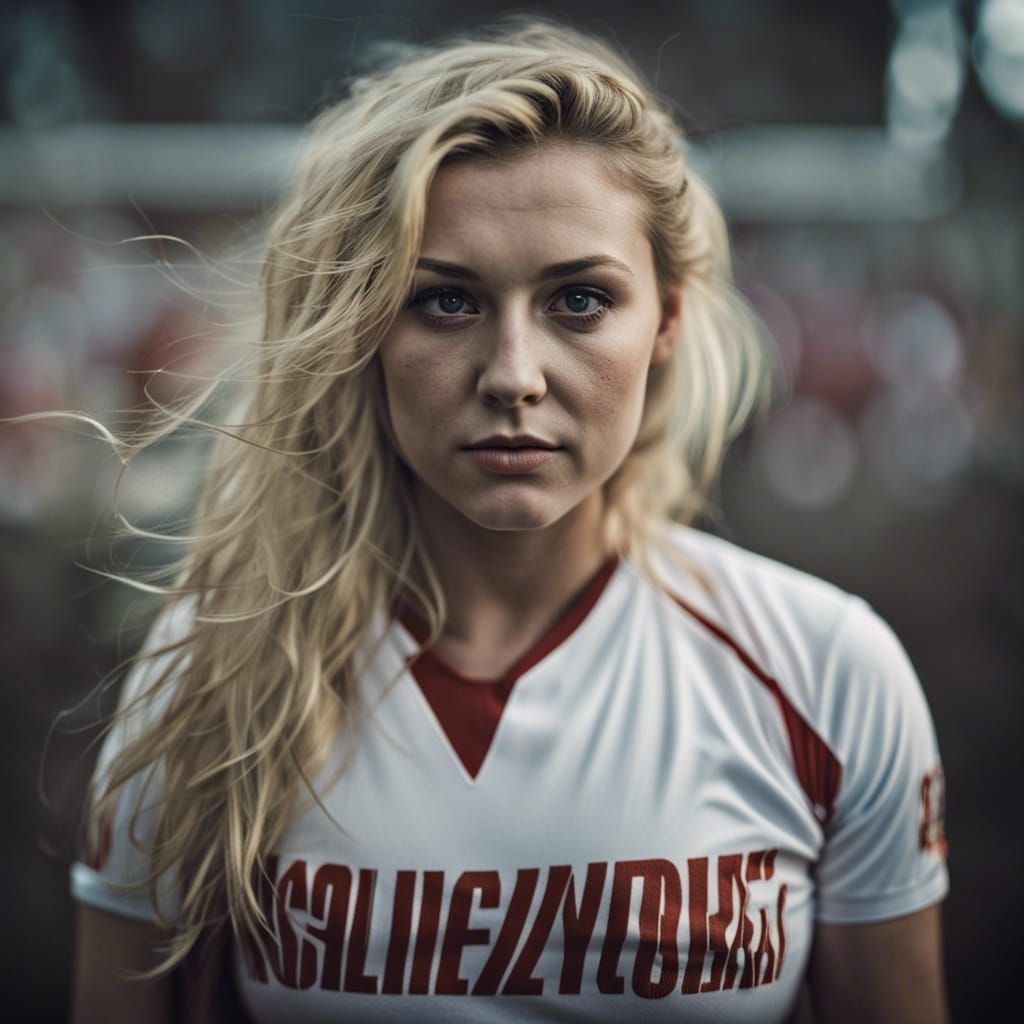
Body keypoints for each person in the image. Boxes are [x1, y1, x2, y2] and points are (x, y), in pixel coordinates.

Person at [68, 18, 950, 1024]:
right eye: (446, 302)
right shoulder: (212, 670)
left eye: (578, 299)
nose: (513, 376)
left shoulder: (825, 672)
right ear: (364, 325)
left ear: (665, 315)